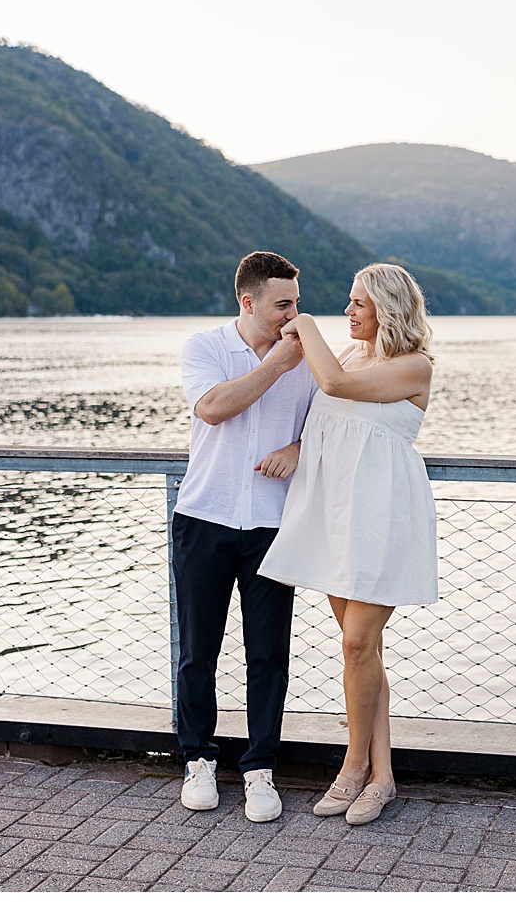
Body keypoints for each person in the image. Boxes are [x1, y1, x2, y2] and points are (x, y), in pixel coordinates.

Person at [258, 263, 438, 827]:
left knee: (359, 645)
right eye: (348, 301)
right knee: (364, 652)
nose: (348, 311)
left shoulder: (413, 366)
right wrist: (293, 446)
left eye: (358, 303)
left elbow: (334, 387)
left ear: (388, 307)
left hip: (382, 517)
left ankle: (353, 767)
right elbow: (329, 419)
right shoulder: (353, 356)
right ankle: (383, 779)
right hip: (336, 515)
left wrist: (303, 323)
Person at [172, 250, 317, 823]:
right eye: (284, 305)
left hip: (272, 527)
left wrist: (294, 451)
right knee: (196, 653)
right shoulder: (205, 347)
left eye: (298, 304)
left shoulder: (312, 359)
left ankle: (260, 769)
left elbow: (329, 435)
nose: (294, 315)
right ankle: (198, 759)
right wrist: (277, 365)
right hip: (204, 518)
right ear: (248, 302)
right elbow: (212, 408)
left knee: (269, 655)